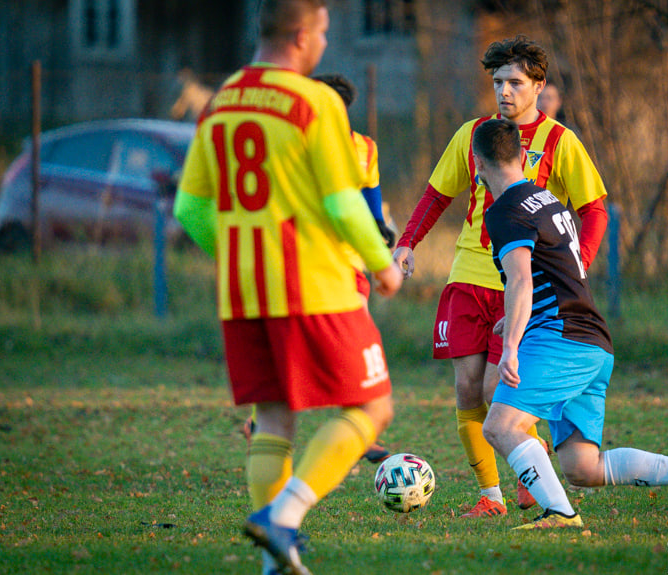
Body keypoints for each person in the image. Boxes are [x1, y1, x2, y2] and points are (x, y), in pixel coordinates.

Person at [173, 1, 403, 574]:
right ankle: (284, 516)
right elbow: (343, 203)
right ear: (301, 35)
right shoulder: (313, 101)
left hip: (243, 292)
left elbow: (189, 209)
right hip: (314, 286)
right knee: (373, 406)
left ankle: (274, 563)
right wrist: (383, 264)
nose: (324, 44)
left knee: (273, 419)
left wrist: (236, 255)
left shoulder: (220, 102)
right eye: (323, 33)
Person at [392, 35, 609, 518]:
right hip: (468, 276)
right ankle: (491, 496)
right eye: (498, 82)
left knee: (499, 390)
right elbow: (436, 195)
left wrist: (579, 263)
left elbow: (593, 209)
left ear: (539, 86)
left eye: (515, 82)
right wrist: (408, 241)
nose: (505, 92)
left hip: (524, 285)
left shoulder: (559, 141)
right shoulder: (473, 135)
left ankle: (531, 483)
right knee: (467, 389)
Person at [475, 118, 668, 530]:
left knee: (501, 426)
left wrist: (513, 345)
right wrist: (515, 319)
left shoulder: (504, 211)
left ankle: (560, 514)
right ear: (522, 156)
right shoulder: (548, 200)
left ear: (477, 163)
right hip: (592, 342)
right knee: (582, 467)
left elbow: (520, 279)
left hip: (560, 339)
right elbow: (550, 274)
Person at [241, 72, 396, 465]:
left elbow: (371, 208)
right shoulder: (295, 146)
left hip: (349, 263)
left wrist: (381, 238)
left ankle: (360, 423)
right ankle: (361, 421)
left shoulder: (365, 149)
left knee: (356, 338)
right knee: (322, 345)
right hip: (304, 262)